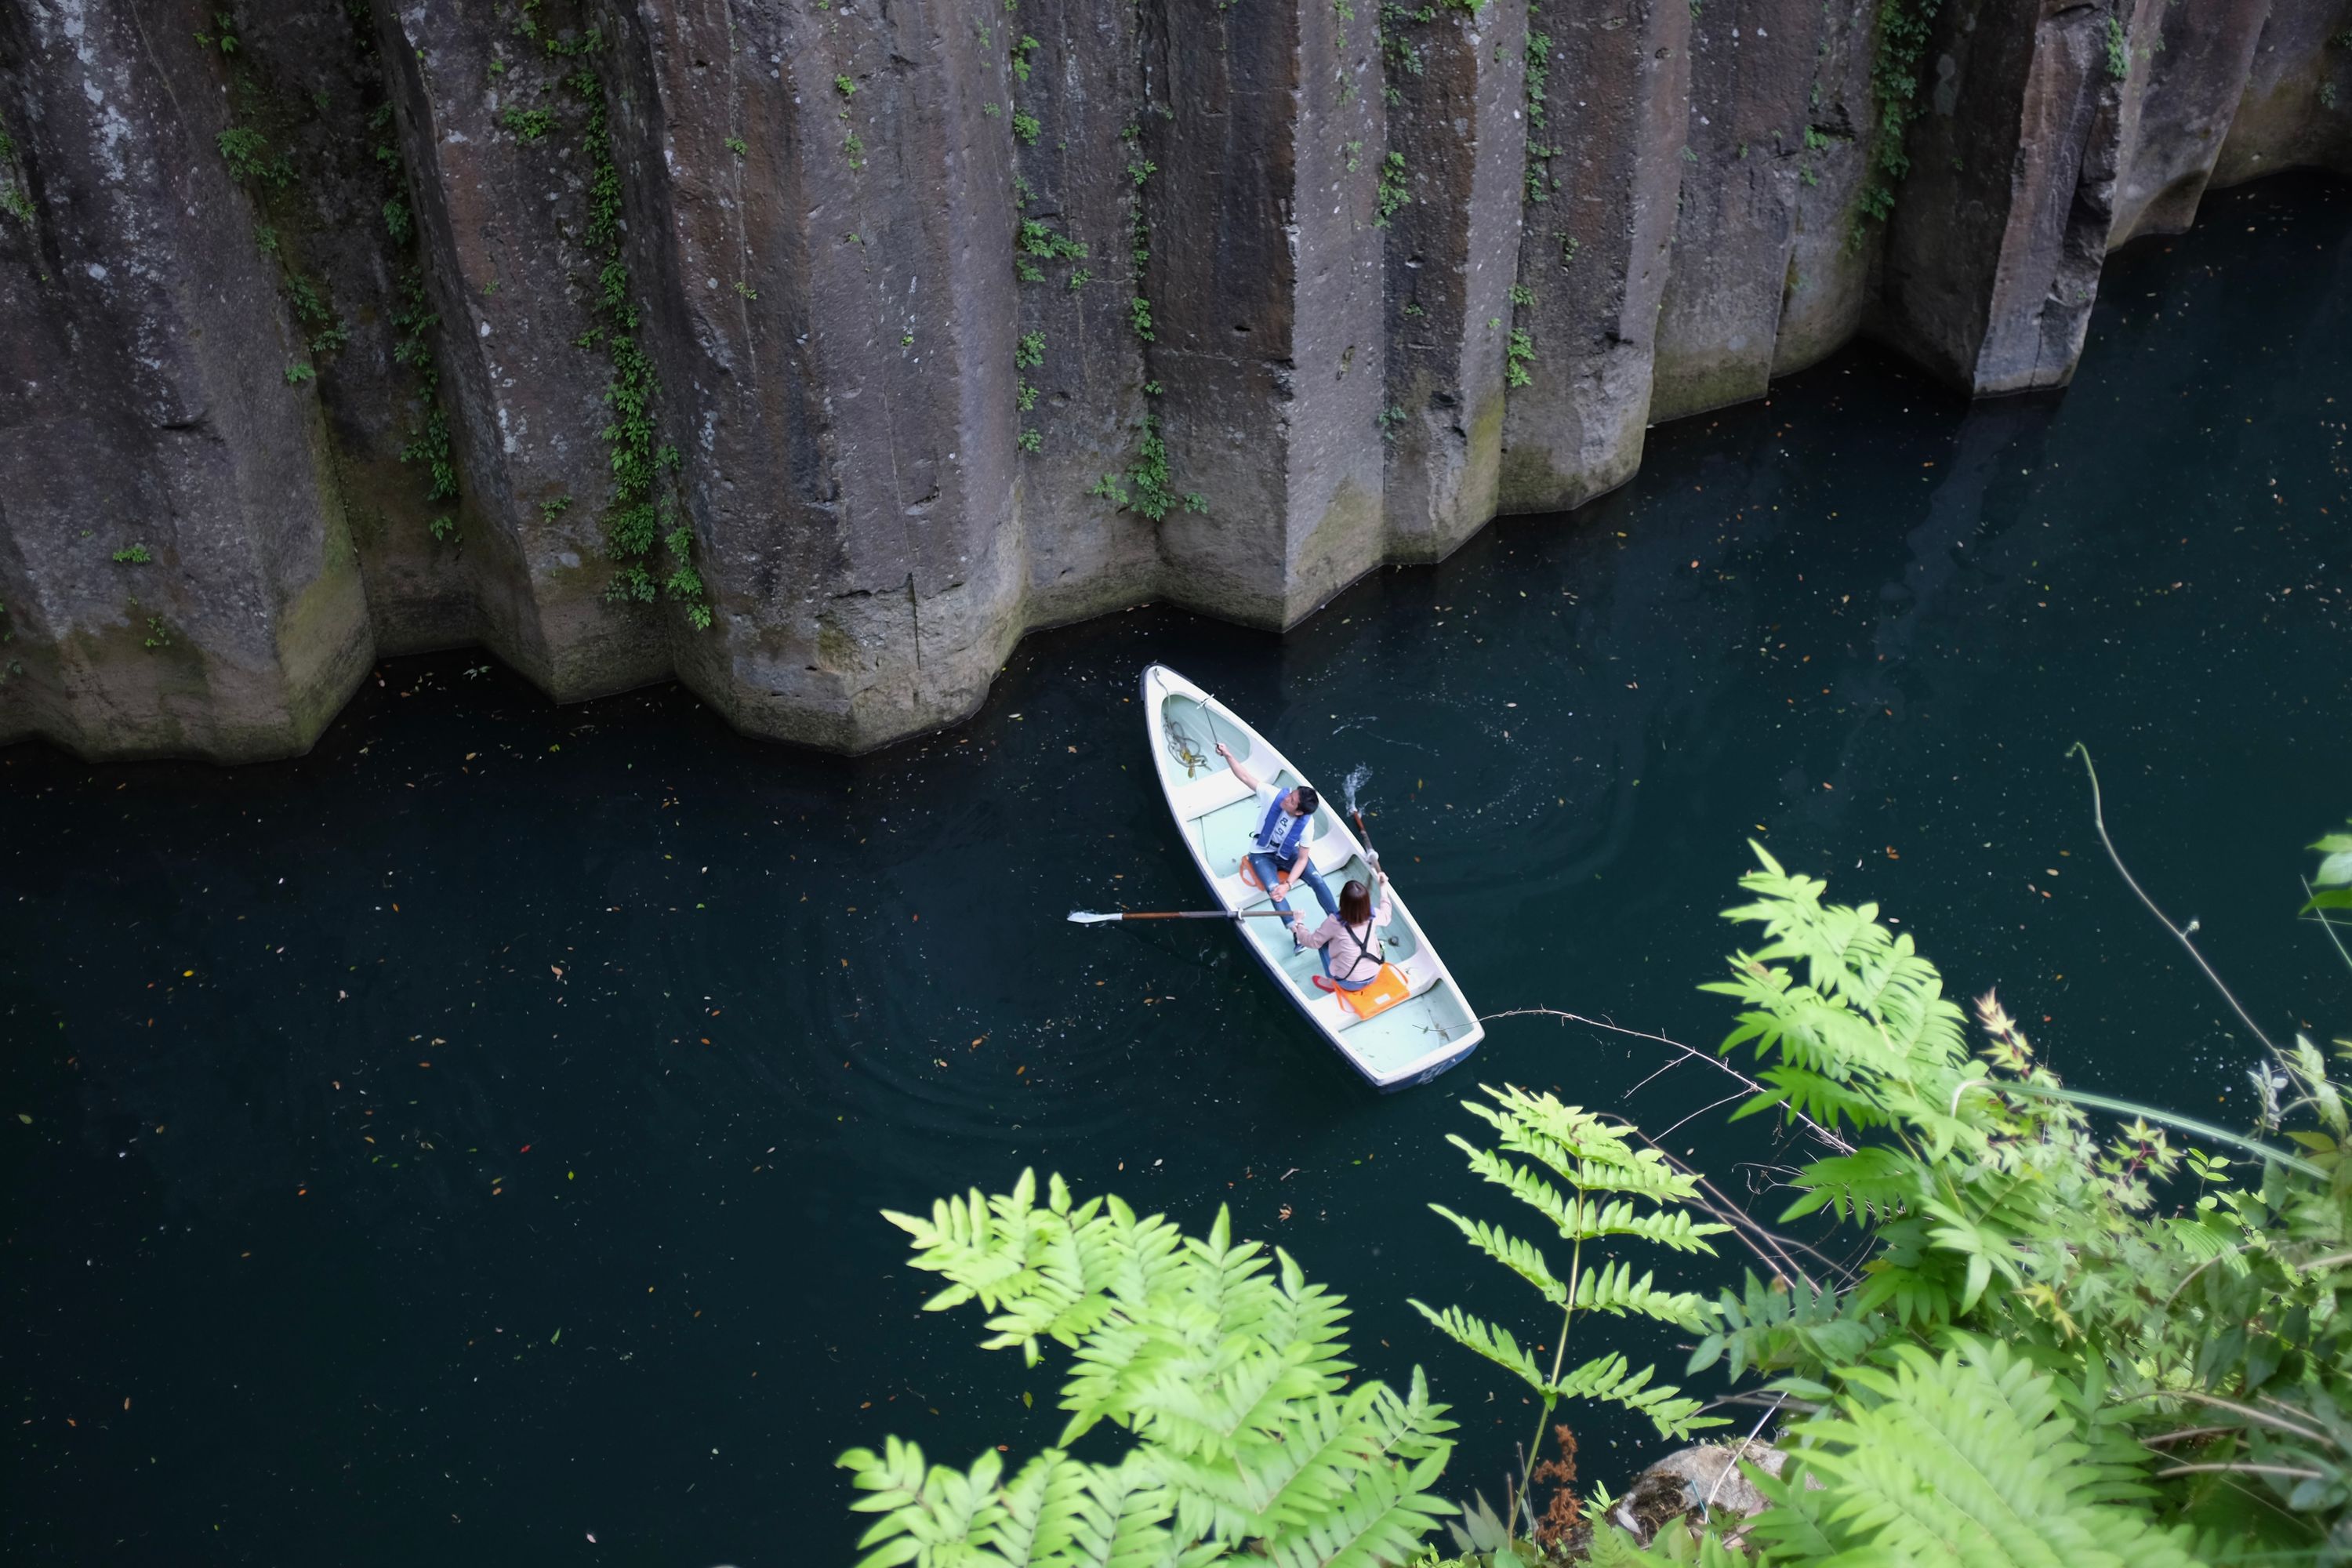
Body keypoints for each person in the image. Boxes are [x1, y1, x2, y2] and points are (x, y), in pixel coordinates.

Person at [1214, 741, 1336, 941]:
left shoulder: (1307, 824)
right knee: (1273, 889)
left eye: (1292, 801)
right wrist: (1228, 754)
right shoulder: (1274, 796)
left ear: (1298, 812)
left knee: (1317, 879)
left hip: (1288, 854)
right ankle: (1297, 932)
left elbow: (1303, 859)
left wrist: (1288, 883)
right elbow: (1244, 776)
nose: (1286, 798)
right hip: (1262, 854)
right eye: (1291, 794)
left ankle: (1338, 921)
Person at [1295, 873, 1392, 994]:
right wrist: (1383, 887)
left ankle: (1331, 983)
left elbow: (1312, 942)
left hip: (1350, 983)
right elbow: (1387, 915)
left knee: (1322, 943)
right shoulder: (1374, 914)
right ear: (1366, 902)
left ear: (1343, 901)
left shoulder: (1334, 922)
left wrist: (1299, 923)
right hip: (1374, 974)